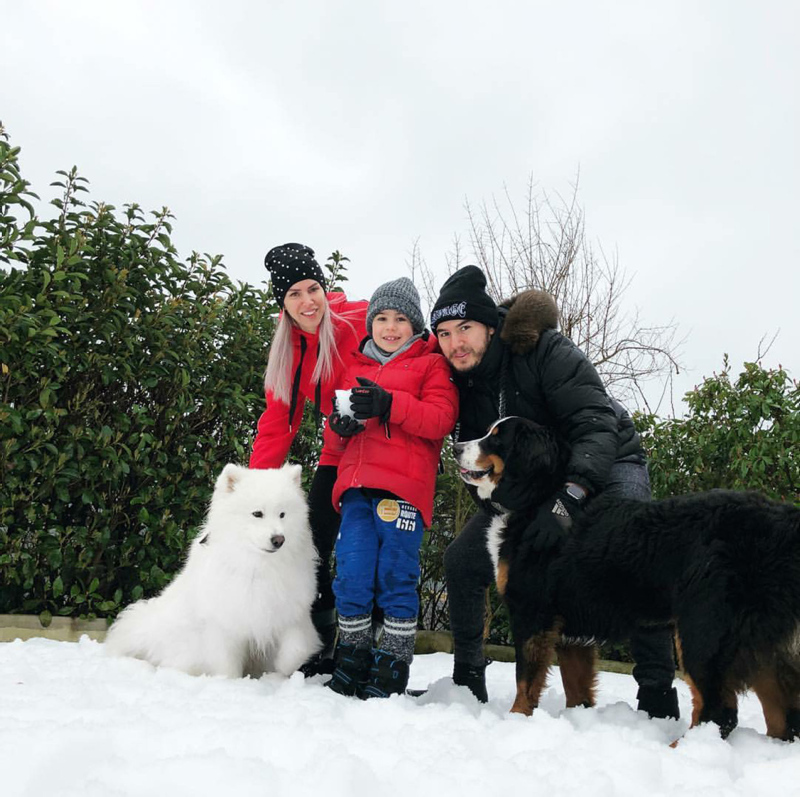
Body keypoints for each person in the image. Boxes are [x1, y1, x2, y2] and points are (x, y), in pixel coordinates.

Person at [429, 265, 679, 719]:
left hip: (607, 463)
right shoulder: (460, 383)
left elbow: (596, 426)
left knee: (642, 556)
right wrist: (504, 503)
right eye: (444, 333)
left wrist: (568, 499)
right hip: (530, 492)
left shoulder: (545, 350)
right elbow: (478, 468)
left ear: (491, 325)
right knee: (462, 561)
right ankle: (467, 682)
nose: (455, 343)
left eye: (464, 328)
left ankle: (658, 696)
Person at [322, 277, 459, 698]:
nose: (390, 327)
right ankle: (353, 657)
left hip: (402, 493)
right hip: (357, 489)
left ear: (415, 325)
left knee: (395, 574)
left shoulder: (431, 364)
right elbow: (334, 441)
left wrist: (391, 405)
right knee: (352, 571)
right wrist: (338, 426)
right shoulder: (355, 367)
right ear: (370, 323)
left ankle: (393, 663)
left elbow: (440, 420)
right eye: (381, 318)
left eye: (400, 319)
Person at [250, 243, 368, 674]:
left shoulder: (359, 318)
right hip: (338, 450)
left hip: (382, 446)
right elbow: (278, 423)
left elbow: (410, 344)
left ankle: (368, 649)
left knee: (364, 548)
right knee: (309, 542)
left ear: (324, 287)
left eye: (312, 288)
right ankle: (320, 645)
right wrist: (253, 489)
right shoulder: (288, 350)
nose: (307, 301)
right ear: (282, 304)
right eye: (294, 294)